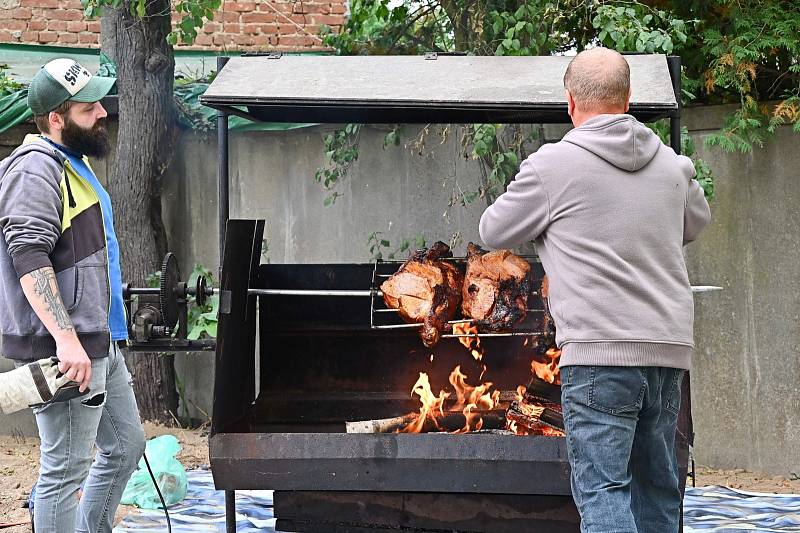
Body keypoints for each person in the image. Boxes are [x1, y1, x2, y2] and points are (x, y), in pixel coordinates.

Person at [479, 48, 711, 533]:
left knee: (604, 491)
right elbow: (695, 222)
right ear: (628, 99)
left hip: (599, 356)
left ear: (570, 102)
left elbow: (493, 230)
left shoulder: (552, 166)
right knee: (657, 489)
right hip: (667, 354)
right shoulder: (672, 165)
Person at [0, 58, 146, 533]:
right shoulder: (35, 169)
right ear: (56, 119)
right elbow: (29, 255)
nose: (103, 112)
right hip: (69, 349)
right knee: (64, 470)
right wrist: (65, 340)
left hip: (99, 340)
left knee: (126, 445)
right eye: (89, 108)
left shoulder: (73, 165)